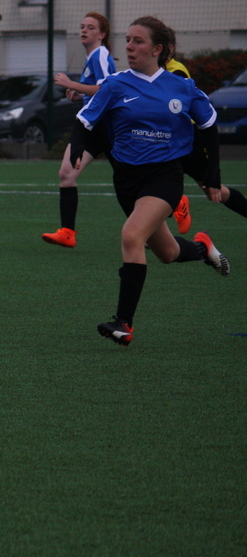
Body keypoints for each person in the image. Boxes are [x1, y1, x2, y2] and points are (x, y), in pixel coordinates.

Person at [68, 16, 228, 346]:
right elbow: (84, 121)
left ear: (158, 49)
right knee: (167, 253)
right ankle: (203, 249)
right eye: (128, 39)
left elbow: (209, 125)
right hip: (126, 180)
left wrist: (212, 173)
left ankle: (123, 323)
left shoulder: (181, 87)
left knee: (131, 236)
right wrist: (79, 145)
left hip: (164, 177)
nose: (129, 46)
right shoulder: (115, 84)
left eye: (138, 41)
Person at [43, 12, 117, 248]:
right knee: (67, 173)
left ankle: (173, 203)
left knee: (131, 180)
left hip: (109, 128)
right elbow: (96, 92)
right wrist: (80, 95)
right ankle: (67, 232)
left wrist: (71, 84)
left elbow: (107, 89)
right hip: (92, 128)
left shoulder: (101, 53)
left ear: (102, 34)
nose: (84, 30)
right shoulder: (92, 57)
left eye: (91, 27)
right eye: (82, 26)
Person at [166, 30, 247, 232]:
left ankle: (176, 204)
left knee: (213, 191)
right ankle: (166, 217)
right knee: (155, 184)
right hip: (167, 139)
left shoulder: (176, 72)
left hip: (189, 138)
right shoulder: (149, 72)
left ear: (170, 48)